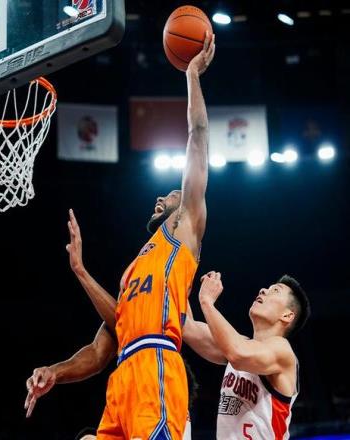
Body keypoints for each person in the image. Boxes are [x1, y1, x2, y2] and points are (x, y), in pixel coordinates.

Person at [25, 32, 215, 439]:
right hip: (122, 377)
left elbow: (198, 136)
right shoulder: (133, 271)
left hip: (155, 365)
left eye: (173, 194)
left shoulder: (184, 230)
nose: (162, 196)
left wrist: (192, 76)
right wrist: (56, 371)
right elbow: (99, 350)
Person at [184, 271, 310, 439]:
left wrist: (206, 301)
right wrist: (182, 277)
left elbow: (237, 353)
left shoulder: (282, 350)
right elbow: (187, 326)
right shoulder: (237, 345)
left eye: (275, 290)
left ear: (287, 315)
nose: (263, 290)